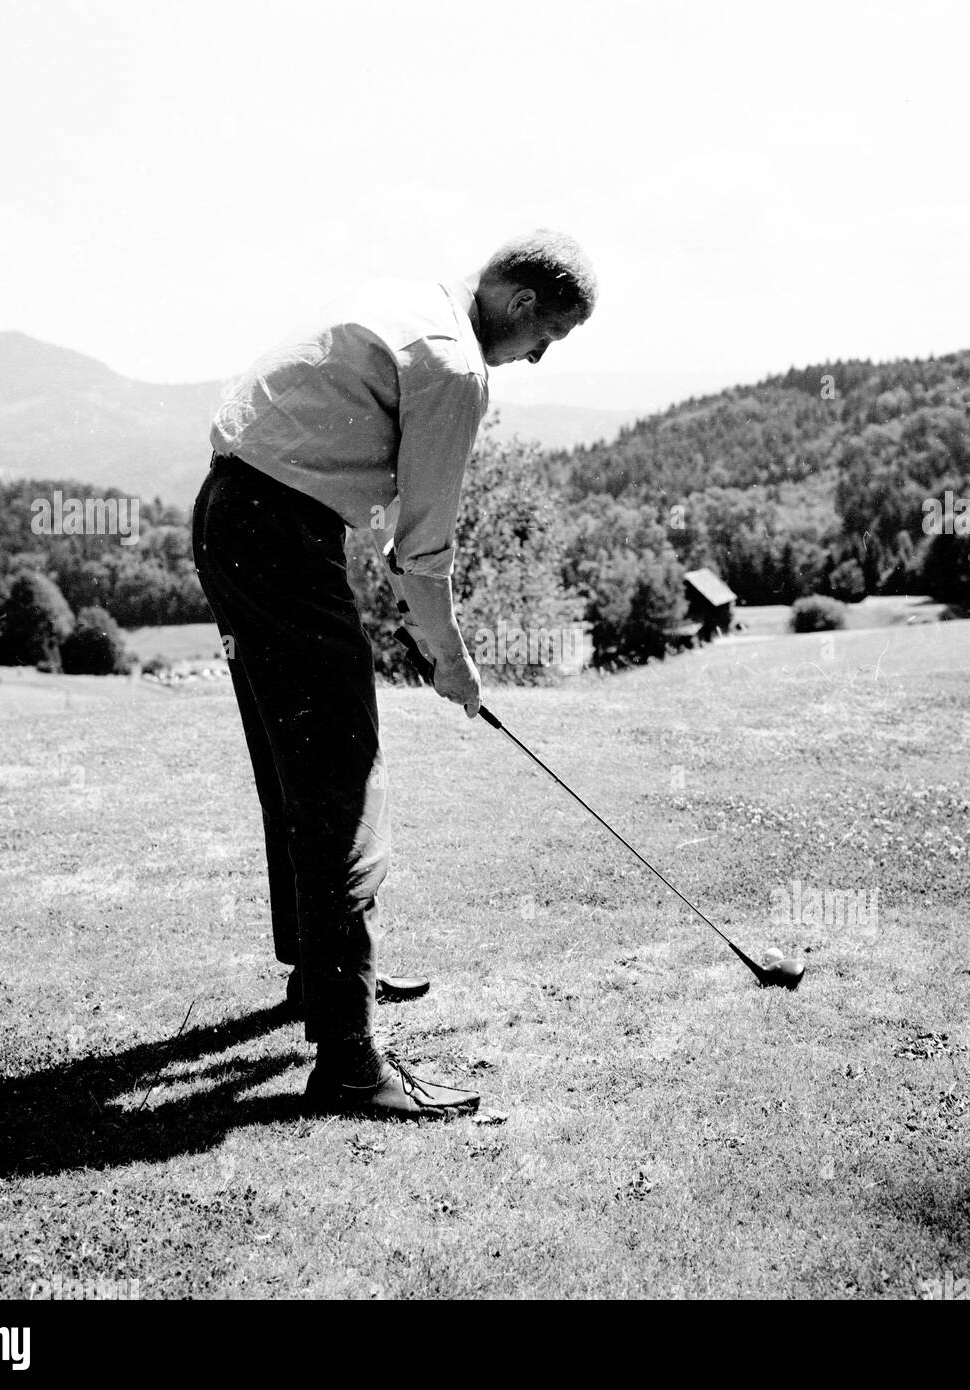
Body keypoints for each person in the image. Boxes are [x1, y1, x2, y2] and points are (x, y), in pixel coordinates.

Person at [192, 230, 597, 1119]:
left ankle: (322, 975)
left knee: (295, 763)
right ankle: (348, 1058)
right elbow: (422, 551)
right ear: (522, 304)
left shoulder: (415, 302)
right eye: (547, 339)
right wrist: (453, 665)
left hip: (233, 512)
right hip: (276, 533)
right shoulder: (455, 365)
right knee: (339, 776)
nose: (534, 359)